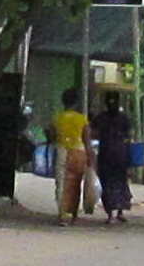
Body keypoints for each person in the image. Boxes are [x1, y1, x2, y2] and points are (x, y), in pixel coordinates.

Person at [92, 95, 137, 223]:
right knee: (121, 182)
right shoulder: (124, 117)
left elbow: (93, 133)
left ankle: (110, 215)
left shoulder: (100, 117)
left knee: (107, 183)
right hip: (121, 153)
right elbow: (130, 134)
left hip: (106, 153)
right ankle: (120, 212)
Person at [51, 96, 91, 224]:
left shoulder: (58, 118)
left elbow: (52, 135)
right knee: (75, 183)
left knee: (62, 182)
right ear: (76, 103)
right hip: (79, 152)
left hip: (62, 150)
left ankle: (63, 214)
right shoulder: (82, 119)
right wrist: (90, 157)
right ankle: (73, 213)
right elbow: (87, 139)